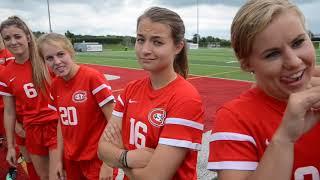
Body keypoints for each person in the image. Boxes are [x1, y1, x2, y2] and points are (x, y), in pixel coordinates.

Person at [207, 0, 320, 179]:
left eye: (298, 42)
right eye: (272, 54)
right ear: (246, 63)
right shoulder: (235, 118)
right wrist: (284, 139)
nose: (294, 62)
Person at [98, 6, 204, 179]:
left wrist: (118, 158)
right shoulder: (130, 90)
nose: (145, 49)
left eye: (157, 42)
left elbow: (153, 177)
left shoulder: (186, 99)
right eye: (140, 40)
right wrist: (128, 157)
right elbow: (102, 149)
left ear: (178, 46)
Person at [37, 32, 116, 180]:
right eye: (49, 58)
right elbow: (61, 123)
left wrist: (108, 162)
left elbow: (114, 120)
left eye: (61, 54)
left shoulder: (92, 77)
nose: (57, 61)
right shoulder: (55, 85)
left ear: (71, 52)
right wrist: (59, 159)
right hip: (72, 158)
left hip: (96, 158)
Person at [0, 16, 59, 180]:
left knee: (57, 175)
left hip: (56, 126)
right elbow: (9, 112)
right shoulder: (5, 73)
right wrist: (11, 146)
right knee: (43, 176)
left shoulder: (46, 61)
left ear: (27, 37)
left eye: (17, 36)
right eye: (7, 38)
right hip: (32, 130)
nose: (13, 42)